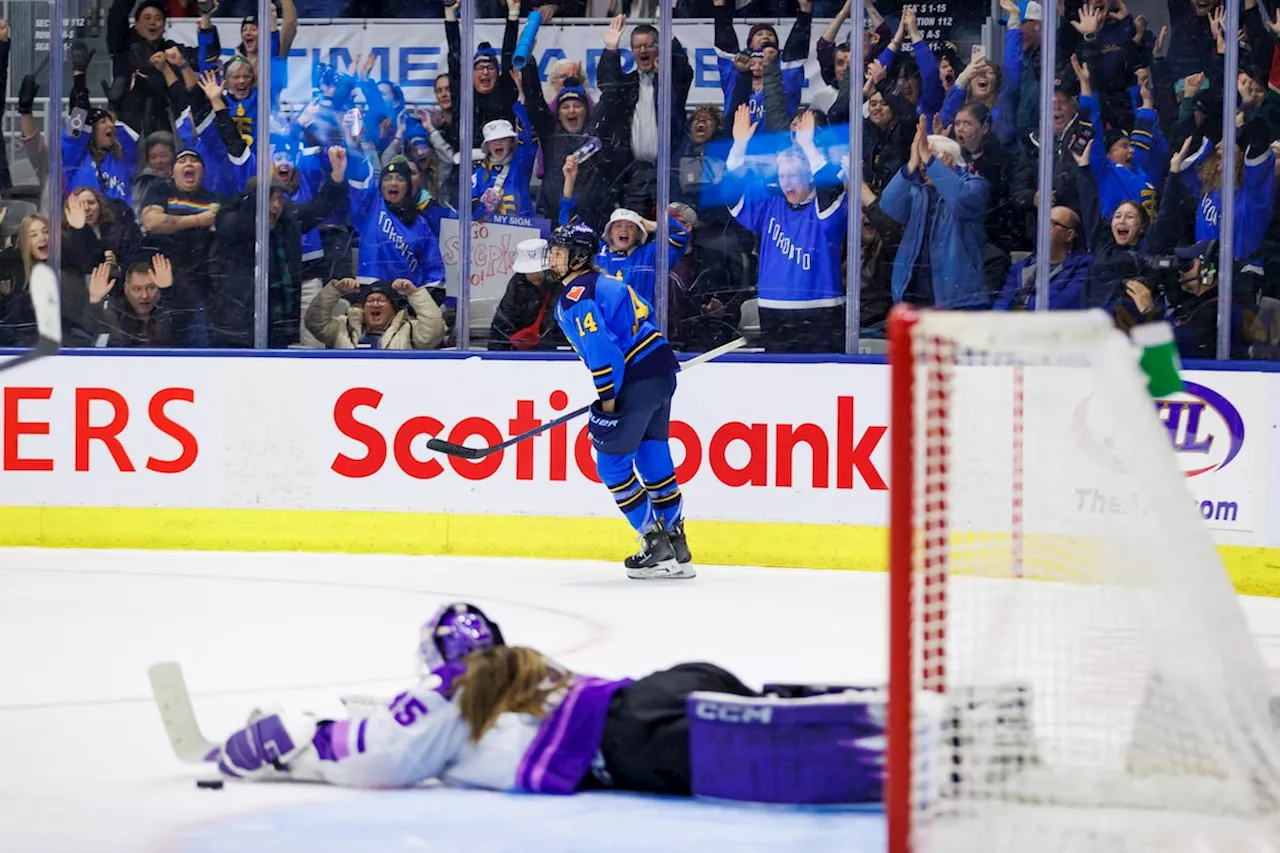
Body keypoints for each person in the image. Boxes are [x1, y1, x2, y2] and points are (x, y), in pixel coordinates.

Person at [208, 638, 883, 803]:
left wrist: (292, 739)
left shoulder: (457, 689)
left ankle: (898, 740)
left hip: (630, 739)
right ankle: (897, 703)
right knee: (774, 705)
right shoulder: (520, 678)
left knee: (775, 748)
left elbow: (385, 754)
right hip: (655, 689)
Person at [548, 223, 692, 580]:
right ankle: (677, 544)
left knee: (612, 467)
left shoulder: (577, 295)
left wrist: (609, 400)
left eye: (560, 251)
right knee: (652, 454)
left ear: (579, 256)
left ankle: (655, 543)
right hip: (660, 371)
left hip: (634, 379)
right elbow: (647, 321)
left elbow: (603, 353)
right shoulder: (609, 281)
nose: (552, 257)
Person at [304, 277, 446, 350]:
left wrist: (414, 293)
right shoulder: (343, 327)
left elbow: (434, 331)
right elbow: (314, 322)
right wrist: (335, 289)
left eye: (381, 300)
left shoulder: (408, 330)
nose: (375, 304)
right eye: (370, 300)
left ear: (393, 309)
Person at [488, 238, 567, 351]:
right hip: (521, 353)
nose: (535, 274)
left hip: (554, 352)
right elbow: (501, 326)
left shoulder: (559, 285)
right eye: (530, 270)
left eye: (539, 269)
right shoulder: (516, 287)